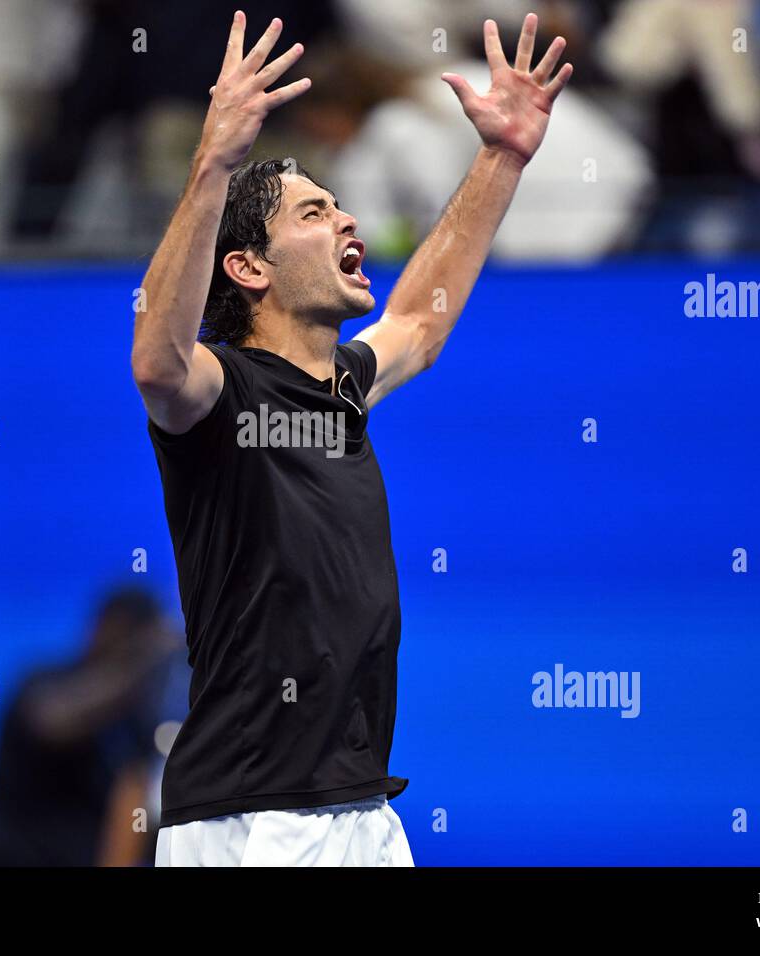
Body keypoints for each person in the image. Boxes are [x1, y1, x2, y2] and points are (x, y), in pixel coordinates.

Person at [133, 10, 571, 866]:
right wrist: (215, 161)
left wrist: (504, 156)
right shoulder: (221, 392)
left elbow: (420, 321)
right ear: (249, 268)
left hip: (361, 808)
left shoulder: (341, 390)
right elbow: (157, 362)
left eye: (339, 208)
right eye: (311, 213)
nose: (345, 222)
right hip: (252, 818)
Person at [0, 588, 179, 867]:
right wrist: (145, 663)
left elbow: (135, 807)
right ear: (104, 628)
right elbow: (52, 722)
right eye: (132, 646)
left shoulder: (136, 719)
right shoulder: (44, 684)